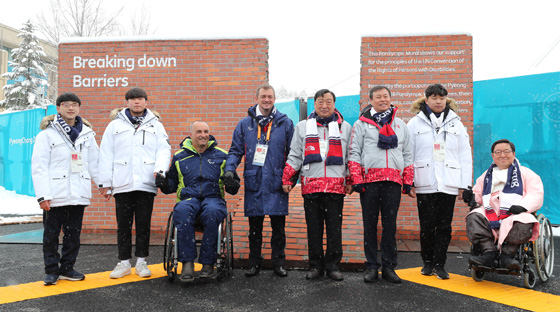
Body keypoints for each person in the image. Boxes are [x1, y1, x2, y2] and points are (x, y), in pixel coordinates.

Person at [222, 84, 294, 278]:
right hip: (254, 181)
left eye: (270, 96)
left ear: (274, 99)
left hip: (277, 183)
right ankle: (254, 263)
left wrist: (291, 178)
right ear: (257, 98)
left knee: (278, 229)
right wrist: (230, 170)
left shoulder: (285, 123)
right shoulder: (245, 124)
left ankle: (279, 263)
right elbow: (235, 151)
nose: (267, 100)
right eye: (263, 96)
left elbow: (293, 154)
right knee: (255, 228)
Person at [98, 87, 171, 279]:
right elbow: (105, 154)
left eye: (140, 99)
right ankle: (123, 263)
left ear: (146, 102)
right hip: (122, 182)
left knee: (143, 224)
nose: (136, 102)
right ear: (127, 102)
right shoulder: (114, 126)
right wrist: (104, 183)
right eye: (132, 99)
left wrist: (160, 171)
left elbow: (163, 150)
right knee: (123, 224)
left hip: (146, 182)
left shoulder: (156, 125)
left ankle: (141, 262)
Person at [282, 89, 353, 281]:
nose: (324, 105)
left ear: (334, 104)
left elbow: (350, 156)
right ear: (314, 104)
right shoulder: (303, 127)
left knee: (334, 229)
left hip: (335, 187)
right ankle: (315, 266)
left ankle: (333, 266)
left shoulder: (345, 127)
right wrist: (288, 179)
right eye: (320, 102)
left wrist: (350, 179)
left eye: (328, 102)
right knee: (314, 229)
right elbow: (295, 154)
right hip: (311, 186)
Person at [156, 121, 239, 282]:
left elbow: (233, 188)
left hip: (213, 198)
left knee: (213, 212)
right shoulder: (180, 157)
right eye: (199, 131)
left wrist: (232, 182)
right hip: (188, 198)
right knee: (182, 211)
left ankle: (208, 263)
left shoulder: (222, 155)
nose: (203, 135)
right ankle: (187, 263)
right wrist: (164, 183)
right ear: (191, 135)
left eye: (206, 131)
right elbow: (172, 184)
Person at [32, 92, 100, 285]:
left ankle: (67, 268)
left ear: (79, 108)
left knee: (73, 234)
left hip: (78, 193)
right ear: (58, 108)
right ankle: (51, 270)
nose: (71, 108)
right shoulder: (47, 134)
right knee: (51, 235)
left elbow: (95, 163)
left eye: (75, 105)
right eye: (66, 104)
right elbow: (39, 166)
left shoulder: (87, 134)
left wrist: (103, 185)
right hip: (55, 194)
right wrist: (43, 195)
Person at [407, 84, 472, 279]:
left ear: (446, 100)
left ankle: (440, 264)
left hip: (449, 183)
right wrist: (408, 181)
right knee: (426, 225)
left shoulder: (456, 123)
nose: (438, 101)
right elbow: (408, 153)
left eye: (441, 98)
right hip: (424, 181)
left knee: (444, 226)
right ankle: (427, 262)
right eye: (434, 98)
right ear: (426, 100)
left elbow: (465, 155)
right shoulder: (414, 124)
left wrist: (464, 185)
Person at [348, 85, 413, 284]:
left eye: (386, 96)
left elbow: (408, 153)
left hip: (392, 181)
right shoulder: (361, 124)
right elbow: (354, 152)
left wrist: (407, 180)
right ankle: (371, 266)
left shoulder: (401, 124)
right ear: (371, 100)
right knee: (370, 225)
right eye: (378, 97)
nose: (383, 99)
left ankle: (388, 266)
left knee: (390, 226)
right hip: (369, 182)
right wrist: (356, 179)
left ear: (390, 99)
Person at [463, 139, 543, 270]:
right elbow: (478, 192)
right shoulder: (487, 175)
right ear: (492, 156)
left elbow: (536, 193)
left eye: (506, 151)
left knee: (524, 221)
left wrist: (523, 206)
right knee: (474, 217)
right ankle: (489, 252)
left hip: (515, 211)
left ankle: (508, 254)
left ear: (514, 153)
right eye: (498, 152)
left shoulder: (526, 173)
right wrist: (471, 196)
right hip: (490, 210)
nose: (502, 155)